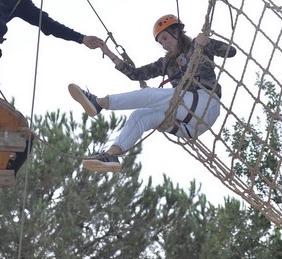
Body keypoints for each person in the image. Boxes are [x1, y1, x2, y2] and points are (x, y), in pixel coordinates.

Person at [68, 14, 236, 172]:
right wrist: (109, 53)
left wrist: (207, 42)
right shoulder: (167, 62)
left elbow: (231, 51)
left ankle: (100, 103)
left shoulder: (196, 47)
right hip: (188, 126)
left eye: (165, 37)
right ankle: (112, 155)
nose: (164, 44)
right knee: (140, 115)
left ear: (177, 31)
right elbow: (136, 74)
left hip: (205, 105)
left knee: (150, 95)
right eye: (160, 42)